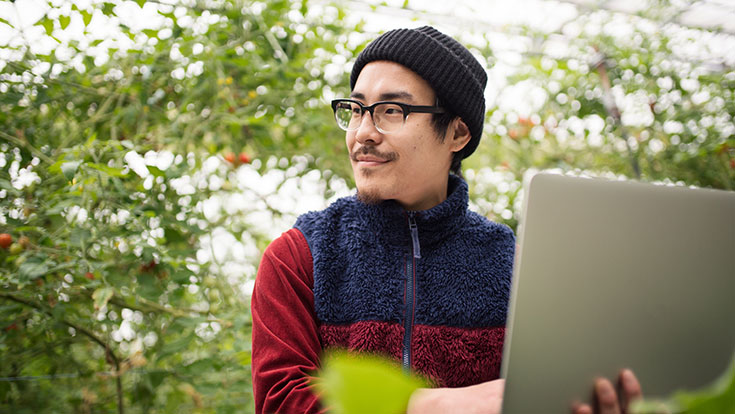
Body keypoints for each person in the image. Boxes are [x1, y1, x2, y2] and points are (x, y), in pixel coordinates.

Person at [251, 26, 641, 414]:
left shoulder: (517, 269)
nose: (363, 133)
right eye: (356, 110)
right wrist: (429, 405)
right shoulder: (299, 257)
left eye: (392, 110)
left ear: (457, 133)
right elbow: (280, 401)